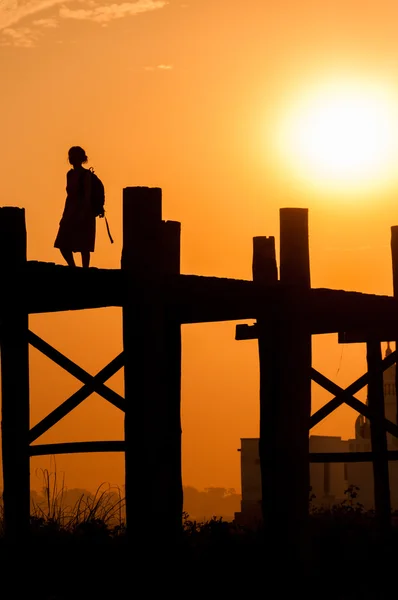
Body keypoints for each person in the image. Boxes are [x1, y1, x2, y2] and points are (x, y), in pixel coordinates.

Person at [54, 146, 96, 268]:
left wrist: (83, 213)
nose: (71, 158)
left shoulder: (86, 175)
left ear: (80, 158)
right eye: (70, 155)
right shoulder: (70, 174)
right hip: (70, 211)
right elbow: (69, 196)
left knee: (84, 245)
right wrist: (64, 215)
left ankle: (85, 269)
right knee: (62, 242)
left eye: (74, 155)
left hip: (84, 213)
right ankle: (72, 267)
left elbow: (87, 197)